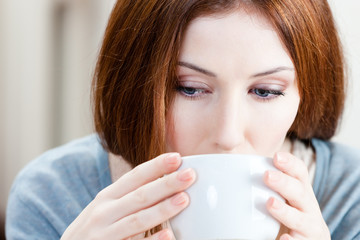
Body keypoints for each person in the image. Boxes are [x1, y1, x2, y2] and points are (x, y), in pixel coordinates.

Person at [6, 0, 360, 239]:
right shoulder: (53, 195)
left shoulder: (349, 197)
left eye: (265, 91)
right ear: (135, 84)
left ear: (305, 93)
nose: (228, 134)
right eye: (189, 89)